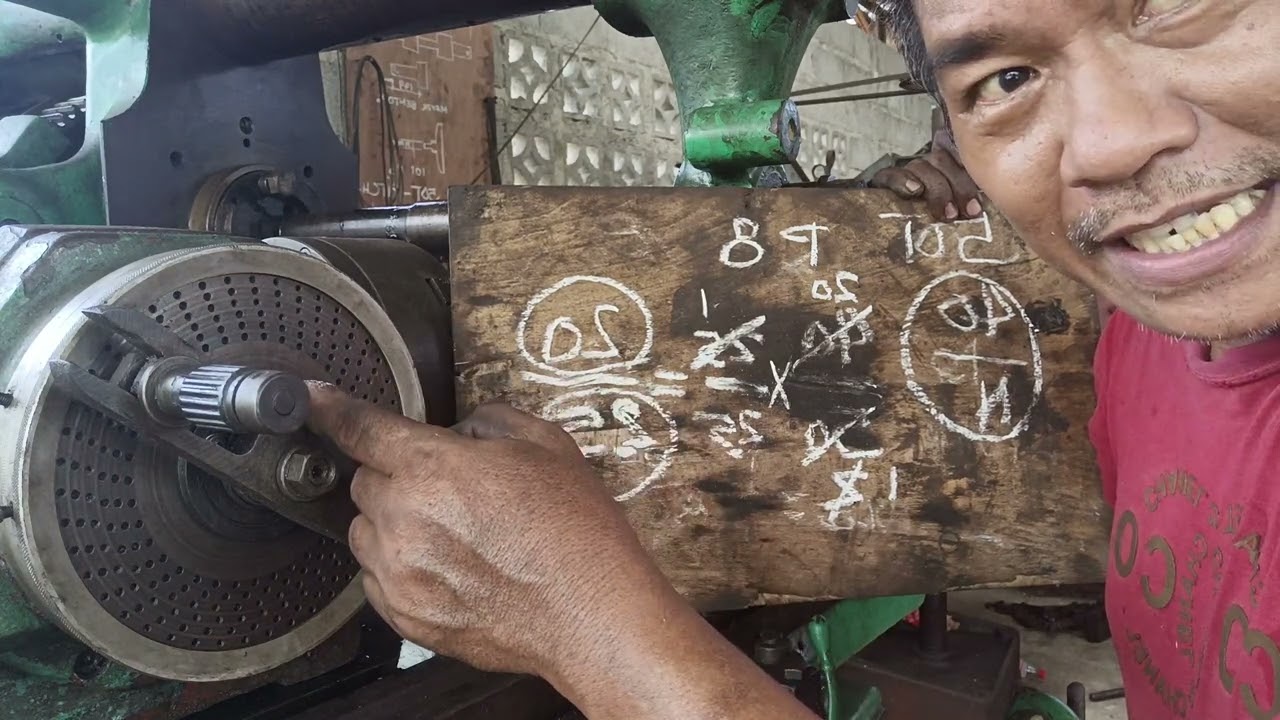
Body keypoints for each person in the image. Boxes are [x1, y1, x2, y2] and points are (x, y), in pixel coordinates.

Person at [307, 1, 1280, 717]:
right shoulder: (1140, 338)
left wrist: (592, 626)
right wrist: (890, 243)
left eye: (1172, 6)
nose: (1108, 145)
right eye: (1006, 81)